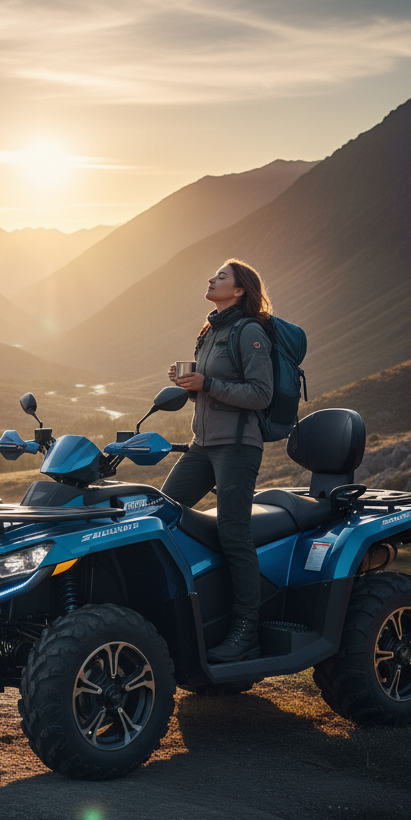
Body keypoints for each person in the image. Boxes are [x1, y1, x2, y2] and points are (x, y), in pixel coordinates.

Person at [162, 259, 273, 663]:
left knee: (233, 530)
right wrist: (191, 385)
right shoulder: (210, 331)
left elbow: (261, 394)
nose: (211, 278)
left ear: (239, 289)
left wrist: (207, 383)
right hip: (203, 444)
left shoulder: (250, 332)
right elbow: (211, 392)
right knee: (161, 514)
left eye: (221, 276)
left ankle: (246, 632)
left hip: (238, 446)